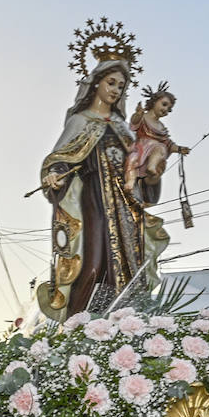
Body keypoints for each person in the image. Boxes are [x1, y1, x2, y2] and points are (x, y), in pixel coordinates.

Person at [35, 58, 169, 320]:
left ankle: (127, 322)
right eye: (111, 83)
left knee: (132, 267)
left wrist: (152, 176)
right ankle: (81, 323)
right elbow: (60, 159)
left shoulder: (122, 127)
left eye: (121, 86)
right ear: (96, 83)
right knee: (93, 261)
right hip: (95, 200)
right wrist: (54, 175)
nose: (116, 90)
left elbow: (139, 170)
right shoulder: (81, 121)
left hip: (127, 206)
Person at [123, 80, 190, 205]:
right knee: (134, 163)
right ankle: (130, 184)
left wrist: (179, 149)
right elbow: (133, 125)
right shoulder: (143, 117)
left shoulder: (161, 127)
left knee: (160, 148)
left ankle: (151, 169)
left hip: (153, 154)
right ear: (154, 101)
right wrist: (137, 114)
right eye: (164, 104)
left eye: (169, 109)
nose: (166, 110)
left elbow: (169, 143)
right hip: (139, 150)